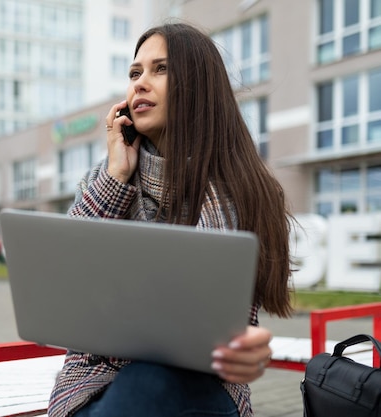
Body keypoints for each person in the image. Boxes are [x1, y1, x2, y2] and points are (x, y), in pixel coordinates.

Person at [47, 21, 293, 417]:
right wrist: (116, 177)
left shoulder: (244, 191)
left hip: (202, 387)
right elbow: (65, 275)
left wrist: (245, 348)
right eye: (134, 73)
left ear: (200, 86)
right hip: (95, 385)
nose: (140, 83)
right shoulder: (103, 178)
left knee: (152, 379)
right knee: (142, 383)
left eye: (160, 69)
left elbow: (226, 323)